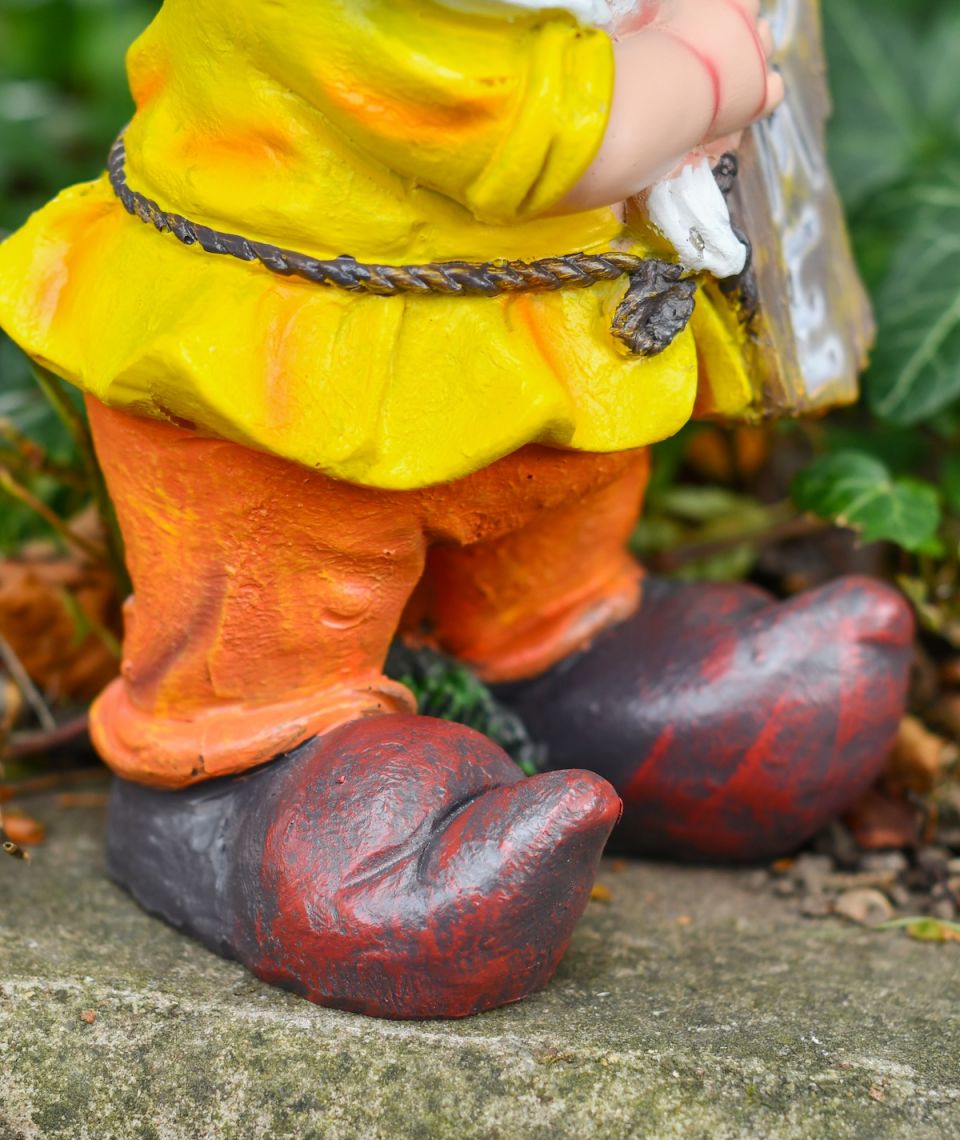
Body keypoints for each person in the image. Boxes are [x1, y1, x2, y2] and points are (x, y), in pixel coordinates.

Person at [0, 0, 912, 1018]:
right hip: (293, 365)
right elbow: (518, 128)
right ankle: (248, 773)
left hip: (535, 319)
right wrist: (702, 70)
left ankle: (565, 657)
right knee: (290, 573)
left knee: (555, 516)